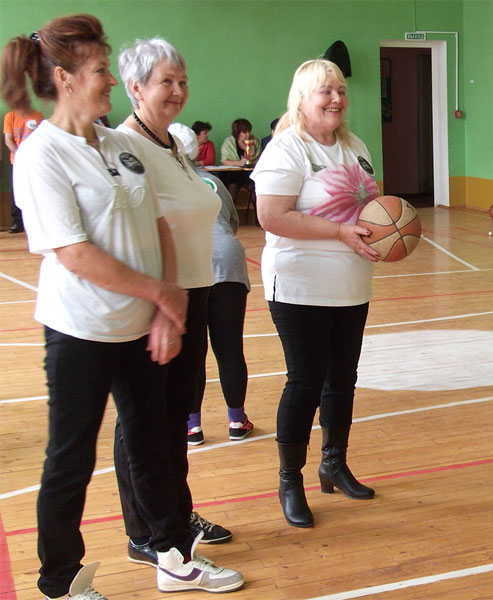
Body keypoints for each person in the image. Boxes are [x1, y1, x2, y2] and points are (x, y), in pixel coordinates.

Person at [1, 14, 243, 598]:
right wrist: (162, 294)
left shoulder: (117, 144)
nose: (111, 79)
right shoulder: (41, 155)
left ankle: (173, 558)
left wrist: (163, 308)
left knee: (156, 446)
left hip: (140, 327)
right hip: (80, 330)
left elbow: (157, 225)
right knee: (71, 458)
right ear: (65, 78)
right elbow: (75, 254)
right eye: (99, 70)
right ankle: (61, 580)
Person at [114, 37, 234, 564]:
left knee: (175, 416)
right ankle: (145, 532)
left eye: (182, 81)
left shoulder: (170, 145)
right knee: (142, 424)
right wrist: (160, 303)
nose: (178, 91)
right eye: (166, 81)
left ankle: (176, 514)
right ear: (136, 87)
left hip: (193, 294)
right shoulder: (126, 146)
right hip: (155, 301)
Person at [252, 58, 380, 529]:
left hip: (351, 283)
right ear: (302, 98)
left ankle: (334, 463)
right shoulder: (287, 148)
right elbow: (271, 215)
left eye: (341, 90)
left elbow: (373, 208)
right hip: (299, 285)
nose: (336, 99)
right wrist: (340, 233)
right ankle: (290, 480)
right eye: (325, 91)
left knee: (342, 379)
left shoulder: (355, 146)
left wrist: (390, 232)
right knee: (304, 381)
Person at [169, 122, 253, 444]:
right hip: (228, 261)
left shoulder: (164, 181)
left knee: (193, 350)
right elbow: (231, 222)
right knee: (229, 346)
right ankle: (237, 421)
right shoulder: (212, 180)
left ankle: (192, 426)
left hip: (191, 266)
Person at [3, 106, 43, 232]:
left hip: (35, 160)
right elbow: (8, 140)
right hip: (17, 161)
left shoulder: (38, 116)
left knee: (35, 190)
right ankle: (17, 222)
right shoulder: (10, 116)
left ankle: (36, 222)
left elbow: (42, 138)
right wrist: (21, 155)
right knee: (18, 191)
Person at [221, 118, 260, 201]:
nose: (248, 134)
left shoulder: (255, 141)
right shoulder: (228, 142)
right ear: (237, 133)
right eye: (244, 132)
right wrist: (239, 163)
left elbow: (260, 159)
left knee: (256, 193)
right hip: (233, 174)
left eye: (249, 131)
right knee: (232, 191)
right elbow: (224, 161)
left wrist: (252, 157)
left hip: (249, 175)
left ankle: (257, 210)